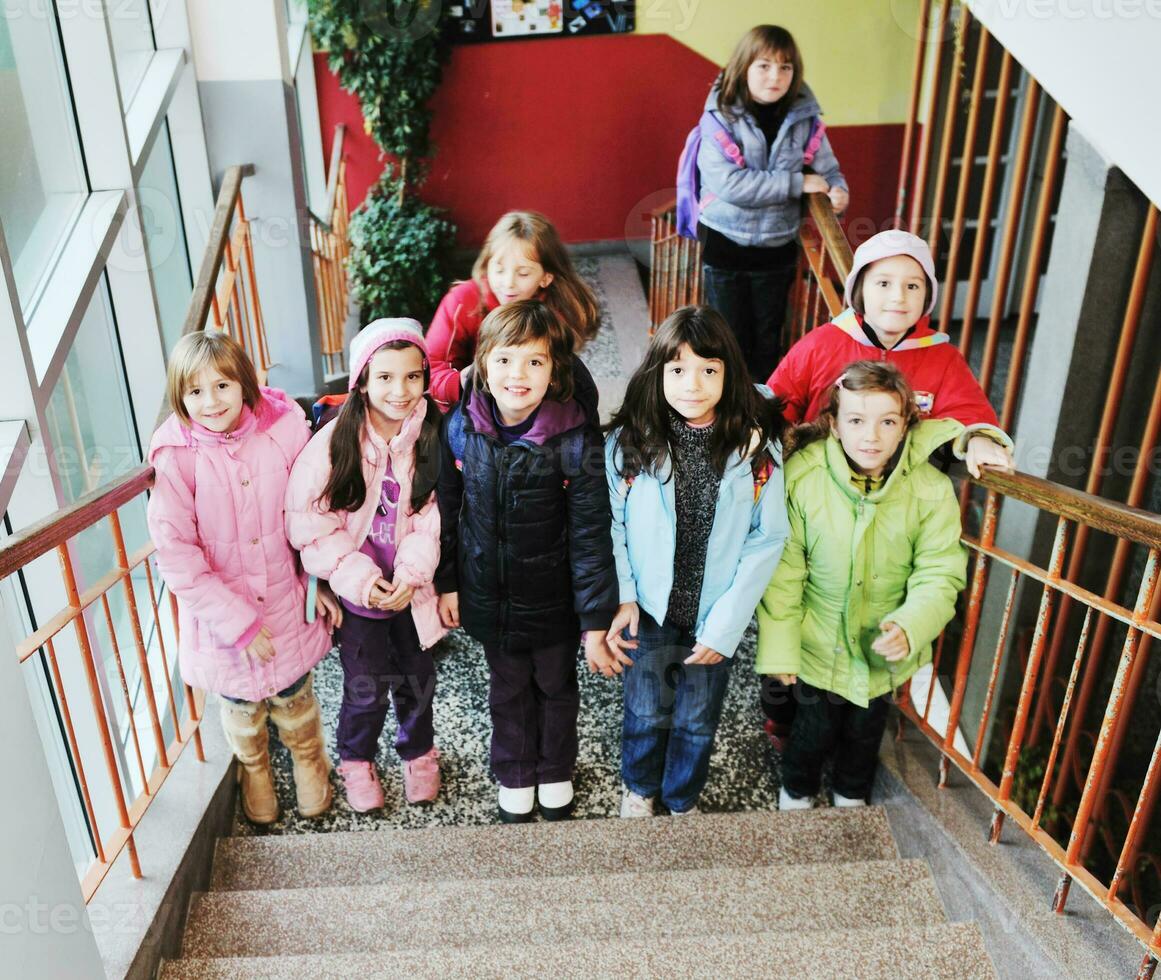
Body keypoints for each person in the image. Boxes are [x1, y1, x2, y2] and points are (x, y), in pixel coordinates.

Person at [762, 228, 1013, 746]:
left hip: (892, 509)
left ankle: (856, 713)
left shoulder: (940, 358)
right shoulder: (824, 343)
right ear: (859, 291)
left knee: (873, 613)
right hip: (817, 503)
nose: (898, 297)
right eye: (883, 283)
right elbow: (778, 401)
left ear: (927, 297)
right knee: (794, 603)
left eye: (913, 286)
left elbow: (968, 413)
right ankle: (781, 714)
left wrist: (980, 439)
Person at [435, 301, 618, 823]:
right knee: (508, 687)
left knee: (557, 686)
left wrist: (594, 619)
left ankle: (555, 768)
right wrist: (448, 583)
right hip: (488, 593)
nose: (519, 375)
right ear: (484, 367)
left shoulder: (575, 440)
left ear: (554, 371)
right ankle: (516, 771)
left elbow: (589, 535)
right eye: (507, 361)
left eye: (535, 363)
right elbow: (447, 514)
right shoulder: (460, 431)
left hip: (554, 599)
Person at [603, 306, 789, 817]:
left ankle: (682, 797)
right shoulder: (630, 441)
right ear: (657, 372)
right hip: (649, 610)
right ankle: (640, 789)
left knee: (697, 718)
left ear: (729, 374)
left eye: (709, 369)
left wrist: (726, 626)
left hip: (713, 617)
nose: (693, 383)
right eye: (678, 369)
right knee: (645, 710)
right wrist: (623, 596)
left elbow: (767, 537)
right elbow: (611, 524)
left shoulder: (756, 449)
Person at [147, 331, 339, 825]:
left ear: (245, 382)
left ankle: (308, 760)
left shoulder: (284, 429)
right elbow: (176, 556)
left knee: (296, 694)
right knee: (239, 706)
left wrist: (320, 583)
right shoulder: (176, 456)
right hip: (221, 621)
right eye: (195, 392)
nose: (210, 402)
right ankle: (254, 770)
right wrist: (239, 624)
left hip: (286, 598)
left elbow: (314, 509)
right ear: (179, 396)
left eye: (223, 386)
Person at [757, 360, 968, 808]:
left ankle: (851, 794)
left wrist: (912, 624)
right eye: (856, 421)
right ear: (833, 425)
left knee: (866, 730)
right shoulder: (804, 478)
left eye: (887, 421)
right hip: (817, 642)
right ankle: (797, 789)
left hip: (881, 647)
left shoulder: (930, 490)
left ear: (906, 425)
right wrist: (780, 647)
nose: (870, 436)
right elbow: (784, 572)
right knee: (812, 728)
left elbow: (940, 568)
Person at [286, 319, 446, 812]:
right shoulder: (334, 445)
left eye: (413, 377)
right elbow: (309, 524)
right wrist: (361, 581)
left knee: (419, 682)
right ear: (362, 380)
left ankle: (419, 754)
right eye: (385, 378)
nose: (400, 391)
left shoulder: (430, 434)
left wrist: (411, 575)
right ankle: (356, 761)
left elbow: (429, 514)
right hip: (360, 600)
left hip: (411, 594)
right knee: (365, 690)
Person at [697, 24, 848, 382]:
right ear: (743, 67)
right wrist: (798, 183)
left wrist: (838, 190)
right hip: (725, 245)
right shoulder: (719, 117)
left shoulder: (804, 119)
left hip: (777, 248)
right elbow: (731, 185)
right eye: (763, 66)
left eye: (785, 67)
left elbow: (828, 170)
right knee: (726, 339)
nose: (775, 76)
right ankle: (724, 415)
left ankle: (761, 413)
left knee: (768, 339)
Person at [426, 210, 601, 412]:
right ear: (486, 265)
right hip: (469, 408)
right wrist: (459, 383)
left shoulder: (558, 314)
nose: (508, 283)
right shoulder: (462, 301)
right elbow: (429, 365)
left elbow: (560, 379)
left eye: (523, 273)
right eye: (499, 269)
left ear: (546, 277)